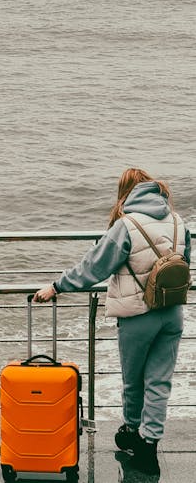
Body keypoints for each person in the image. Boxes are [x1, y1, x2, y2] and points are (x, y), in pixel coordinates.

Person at [33, 168, 192, 476]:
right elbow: (184, 263)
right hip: (172, 313)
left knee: (134, 382)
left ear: (127, 194)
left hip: (137, 316)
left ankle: (132, 432)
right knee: (159, 383)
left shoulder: (127, 225)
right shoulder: (178, 221)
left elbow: (95, 266)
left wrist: (57, 286)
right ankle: (150, 447)